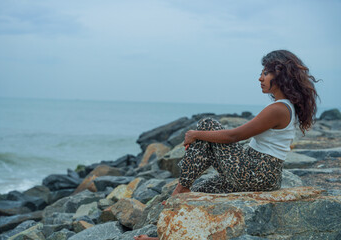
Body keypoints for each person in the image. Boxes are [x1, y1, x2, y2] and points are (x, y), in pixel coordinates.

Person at [133, 50, 318, 240]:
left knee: (207, 125)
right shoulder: (285, 106)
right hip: (260, 175)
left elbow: (233, 136)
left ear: (280, 75)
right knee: (197, 194)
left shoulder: (278, 109)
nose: (260, 78)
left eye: (265, 73)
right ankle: (163, 234)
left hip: (256, 173)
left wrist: (195, 134)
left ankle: (181, 187)